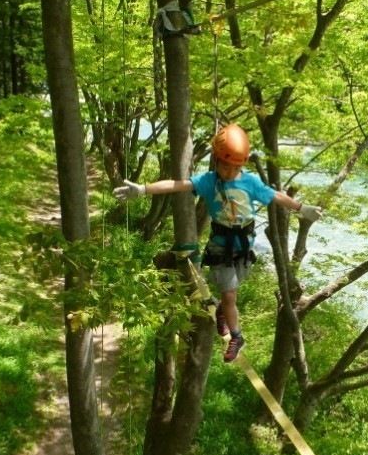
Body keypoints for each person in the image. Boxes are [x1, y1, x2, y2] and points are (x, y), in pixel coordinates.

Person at [114, 123, 323, 362]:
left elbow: (275, 195)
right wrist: (143, 189)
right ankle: (237, 336)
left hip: (244, 247)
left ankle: (224, 311)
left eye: (234, 167)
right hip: (221, 247)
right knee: (230, 293)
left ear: (241, 164)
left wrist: (301, 208)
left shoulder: (251, 182)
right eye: (224, 165)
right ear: (216, 161)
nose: (228, 171)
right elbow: (177, 184)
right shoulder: (209, 181)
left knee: (231, 292)